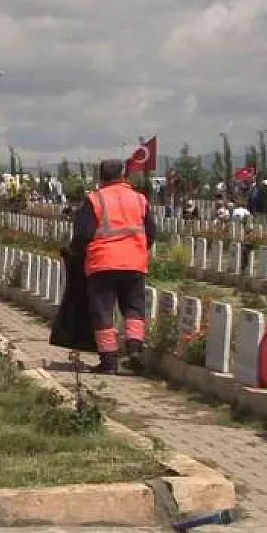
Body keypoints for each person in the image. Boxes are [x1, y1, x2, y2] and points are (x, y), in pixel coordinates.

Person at [69, 159, 156, 374]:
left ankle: (109, 362)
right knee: (134, 308)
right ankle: (134, 349)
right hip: (134, 263)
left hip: (103, 263)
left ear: (101, 176)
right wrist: (138, 249)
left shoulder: (95, 199)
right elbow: (152, 232)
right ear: (124, 175)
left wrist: (75, 253)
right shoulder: (139, 199)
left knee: (103, 311)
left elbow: (83, 234)